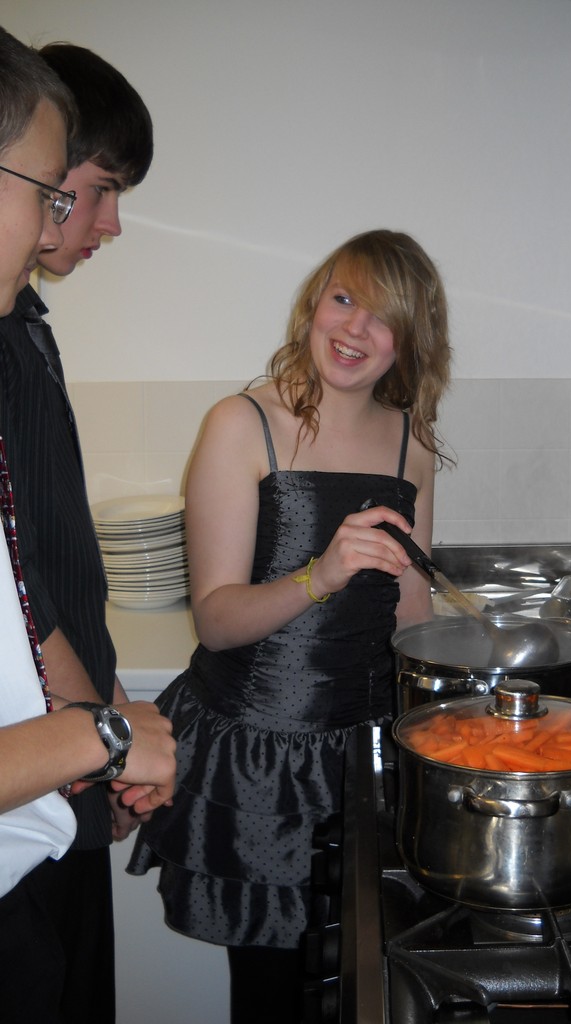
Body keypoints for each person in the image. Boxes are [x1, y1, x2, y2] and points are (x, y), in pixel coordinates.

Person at [129, 228, 452, 1022]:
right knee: (271, 997)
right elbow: (216, 620)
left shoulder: (409, 442)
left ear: (410, 341)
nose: (355, 329)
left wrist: (462, 701)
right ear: (313, 303)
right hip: (259, 761)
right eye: (344, 299)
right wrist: (321, 575)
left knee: (360, 985)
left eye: (384, 317)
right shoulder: (242, 423)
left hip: (371, 759)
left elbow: (413, 613)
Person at [0, 34, 159, 1024]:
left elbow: (40, 574)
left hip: (62, 747)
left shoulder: (26, 327)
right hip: (38, 774)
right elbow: (31, 595)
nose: (106, 222)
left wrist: (110, 718)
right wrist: (103, 737)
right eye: (93, 191)